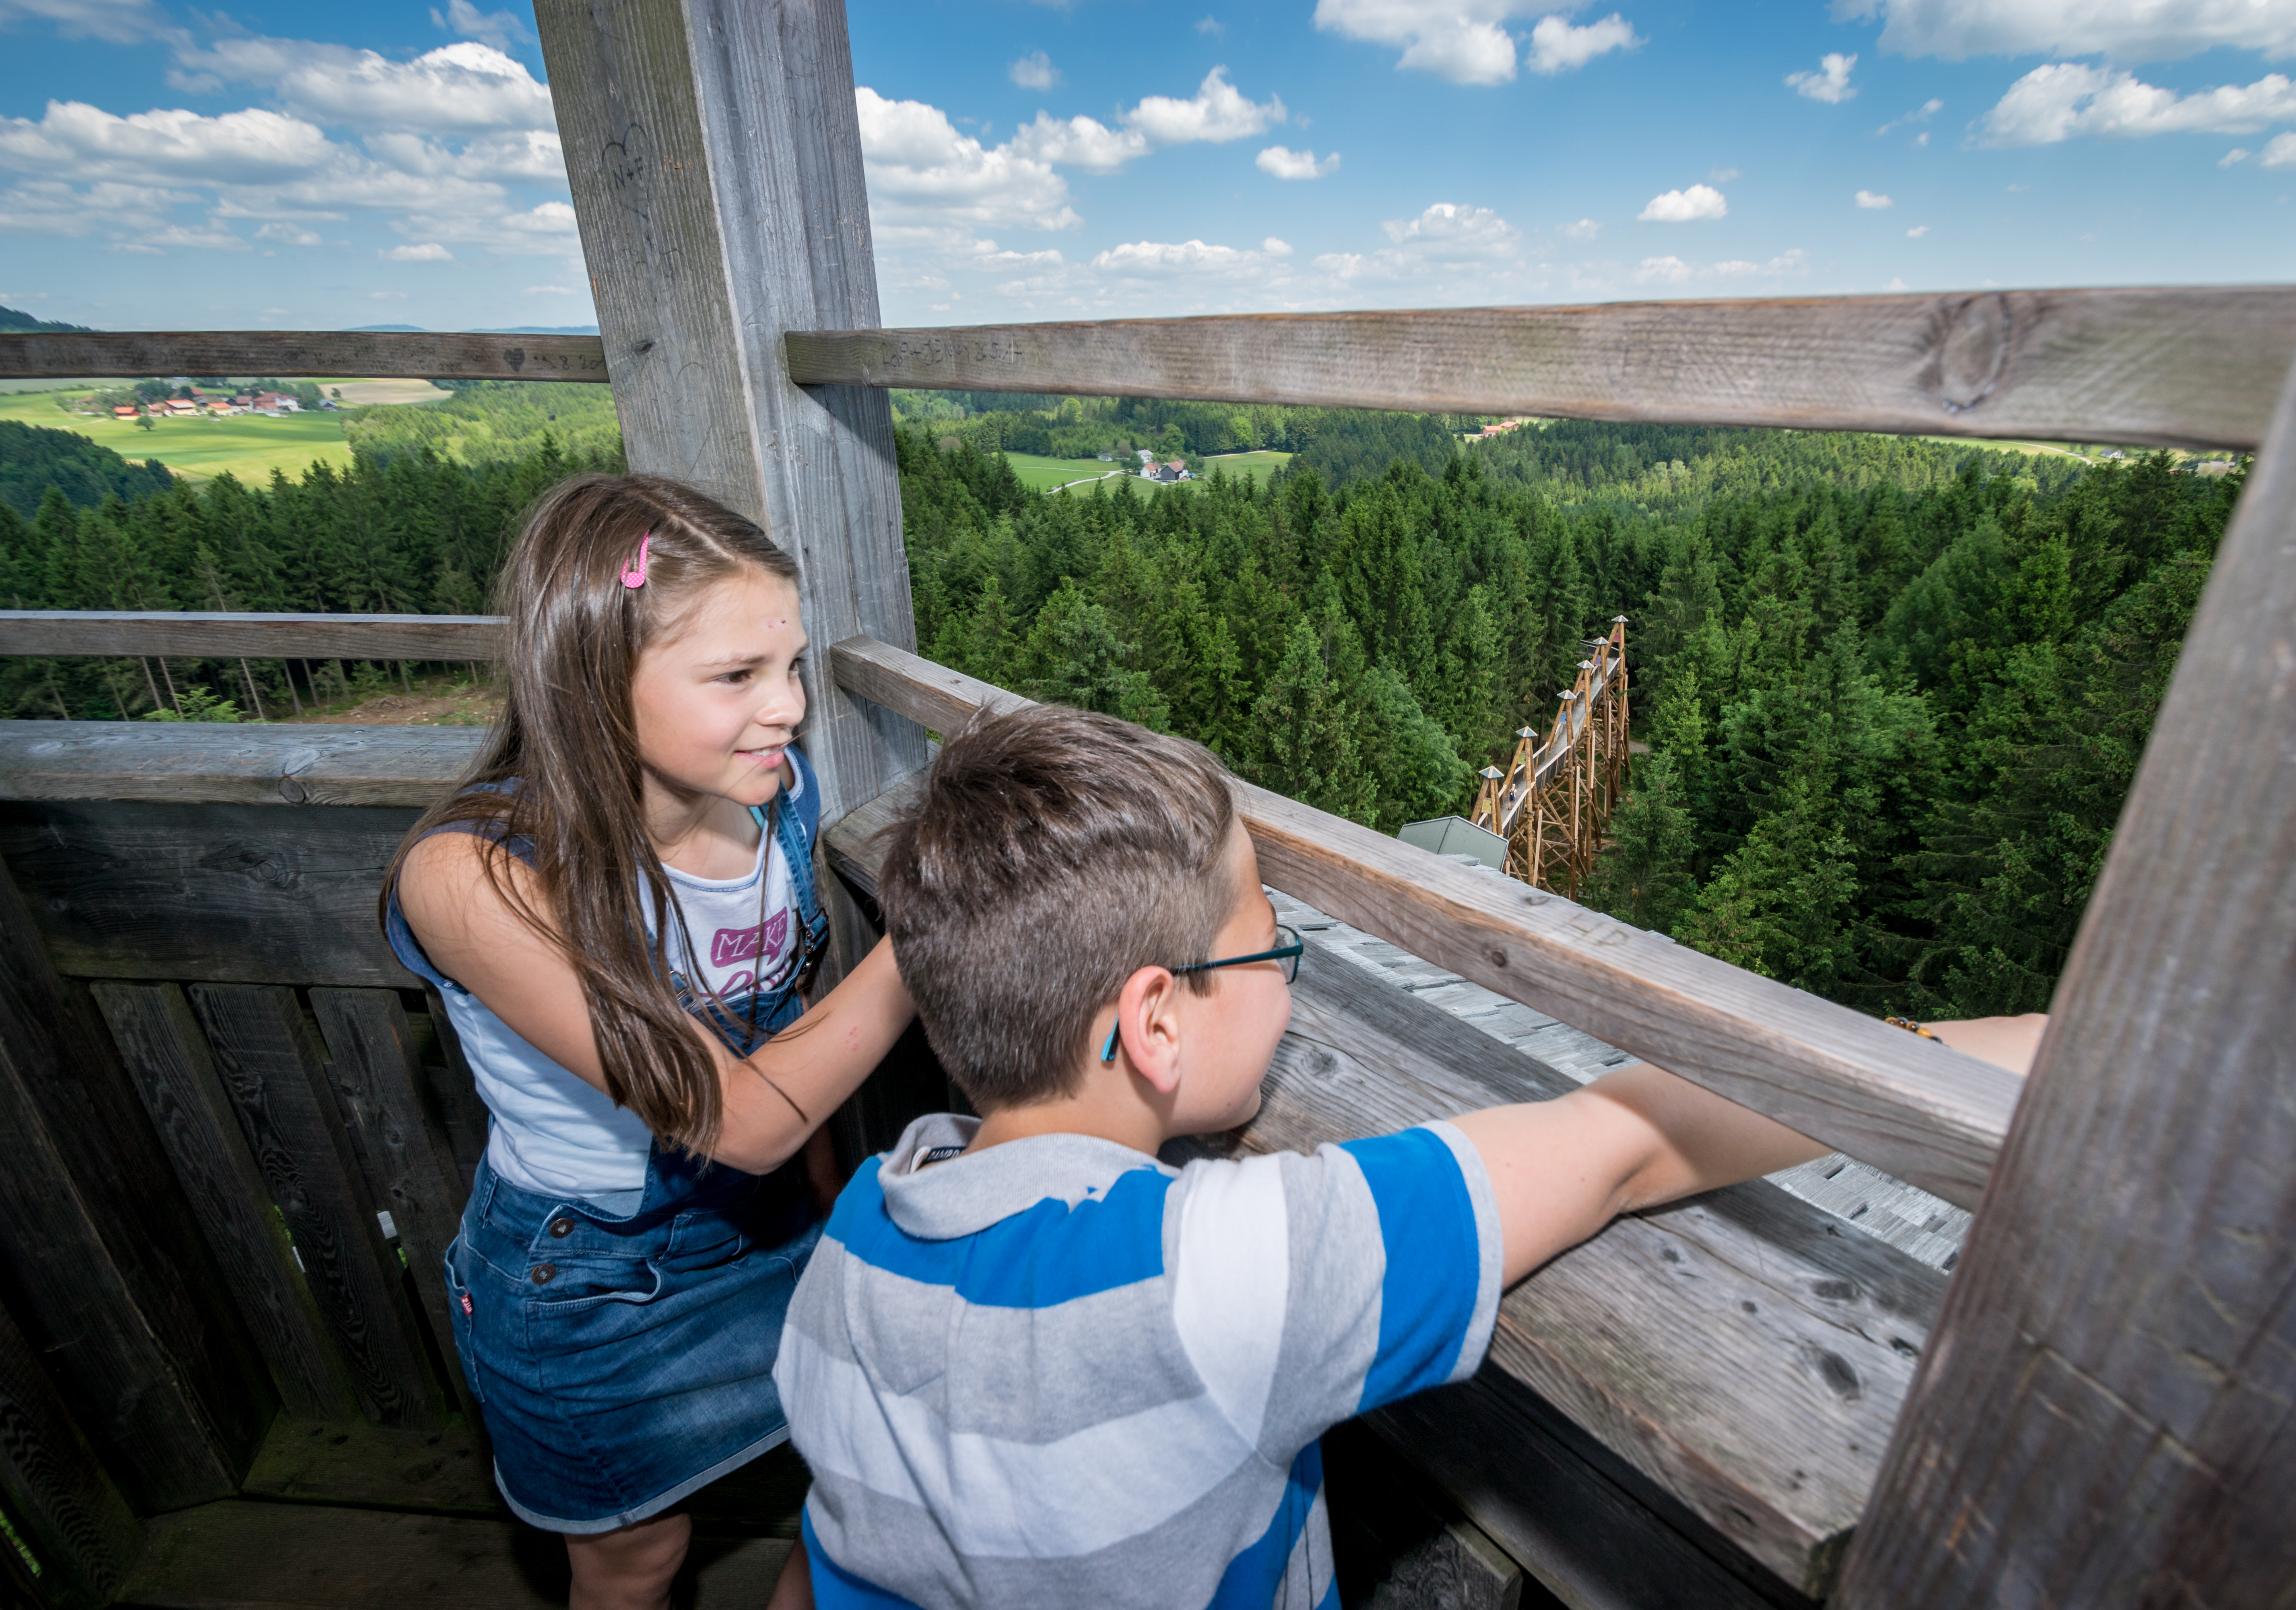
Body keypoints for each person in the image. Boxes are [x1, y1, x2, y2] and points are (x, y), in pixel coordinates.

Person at [773, 702, 2043, 1610]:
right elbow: (1621, 1144)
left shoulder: (852, 1246)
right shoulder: (1218, 1276)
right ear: (1157, 1021)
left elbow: (833, 1554)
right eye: (1273, 955)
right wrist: (1959, 1060)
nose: (1289, 989)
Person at [386, 473, 918, 1610]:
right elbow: (737, 1115)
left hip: (779, 1228)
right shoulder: (476, 877)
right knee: (637, 1562)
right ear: (589, 678)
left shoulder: (776, 798)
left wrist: (825, 1212)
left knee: (869, 1485)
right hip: (595, 1283)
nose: (787, 708)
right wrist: (927, 942)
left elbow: (785, 1035)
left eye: (792, 668)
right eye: (735, 676)